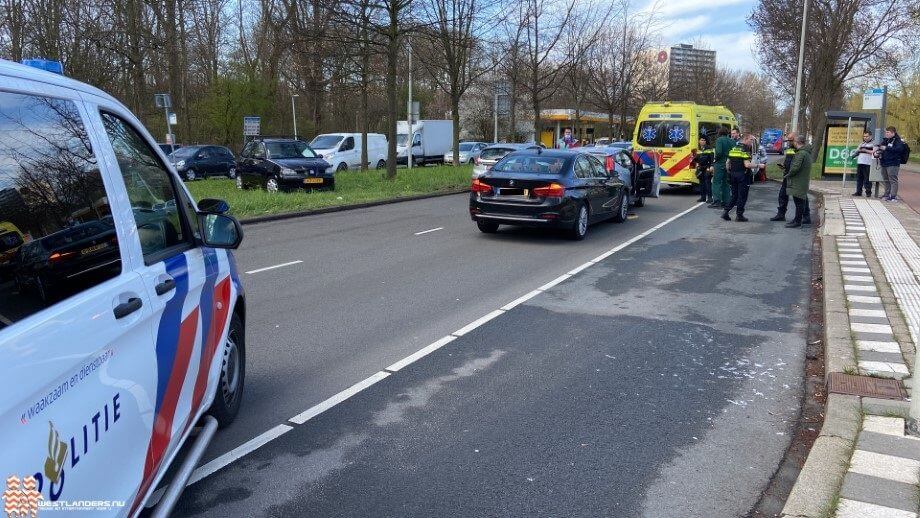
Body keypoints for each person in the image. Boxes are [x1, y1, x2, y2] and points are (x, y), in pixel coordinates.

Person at [771, 132, 811, 224]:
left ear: (796, 140)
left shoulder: (800, 151)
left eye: (791, 140)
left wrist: (790, 172)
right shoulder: (790, 149)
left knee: (800, 196)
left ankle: (805, 216)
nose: (789, 142)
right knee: (783, 194)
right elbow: (788, 160)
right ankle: (781, 214)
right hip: (787, 174)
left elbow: (797, 164)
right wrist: (784, 166)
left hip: (793, 176)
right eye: (788, 140)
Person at [721, 134, 755, 222]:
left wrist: (730, 172)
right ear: (746, 139)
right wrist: (759, 165)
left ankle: (726, 212)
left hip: (733, 175)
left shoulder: (733, 148)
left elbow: (727, 163)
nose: (752, 142)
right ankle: (739, 215)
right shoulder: (745, 150)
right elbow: (747, 164)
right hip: (743, 175)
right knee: (742, 196)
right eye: (751, 140)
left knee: (734, 195)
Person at [784, 134, 814, 228]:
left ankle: (797, 221)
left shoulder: (800, 153)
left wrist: (787, 175)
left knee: (799, 202)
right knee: (800, 201)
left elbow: (795, 168)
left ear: (797, 142)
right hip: (802, 180)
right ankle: (797, 219)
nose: (793, 143)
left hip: (798, 181)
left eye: (794, 141)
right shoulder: (806, 152)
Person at [877, 126, 906, 201]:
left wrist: (886, 148)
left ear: (893, 133)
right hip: (884, 162)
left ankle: (893, 196)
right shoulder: (886, 140)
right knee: (885, 179)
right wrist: (878, 152)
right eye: (886, 132)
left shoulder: (898, 141)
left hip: (893, 163)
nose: (886, 134)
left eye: (888, 132)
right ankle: (887, 194)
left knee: (893, 179)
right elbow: (881, 148)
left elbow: (899, 150)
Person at [709, 127, 735, 208]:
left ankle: (717, 201)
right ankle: (726, 201)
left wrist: (715, 160)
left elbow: (719, 152)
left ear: (719, 133)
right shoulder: (732, 141)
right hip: (729, 163)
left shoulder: (719, 140)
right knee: (725, 183)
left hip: (720, 163)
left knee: (716, 182)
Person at [851, 131, 875, 197]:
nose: (865, 138)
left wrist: (865, 150)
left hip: (868, 163)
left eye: (867, 136)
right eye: (864, 136)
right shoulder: (862, 143)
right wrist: (854, 154)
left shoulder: (873, 143)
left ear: (870, 136)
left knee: (867, 178)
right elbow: (857, 151)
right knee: (859, 178)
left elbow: (874, 152)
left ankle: (868, 192)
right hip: (860, 162)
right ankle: (858, 192)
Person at [693, 136, 715, 203]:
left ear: (706, 141)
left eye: (704, 140)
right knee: (701, 183)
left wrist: (711, 166)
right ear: (699, 141)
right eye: (701, 140)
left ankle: (710, 198)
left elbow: (712, 158)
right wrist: (695, 162)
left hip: (707, 167)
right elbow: (696, 159)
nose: (703, 141)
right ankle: (703, 197)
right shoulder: (699, 149)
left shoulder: (709, 149)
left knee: (707, 183)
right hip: (700, 168)